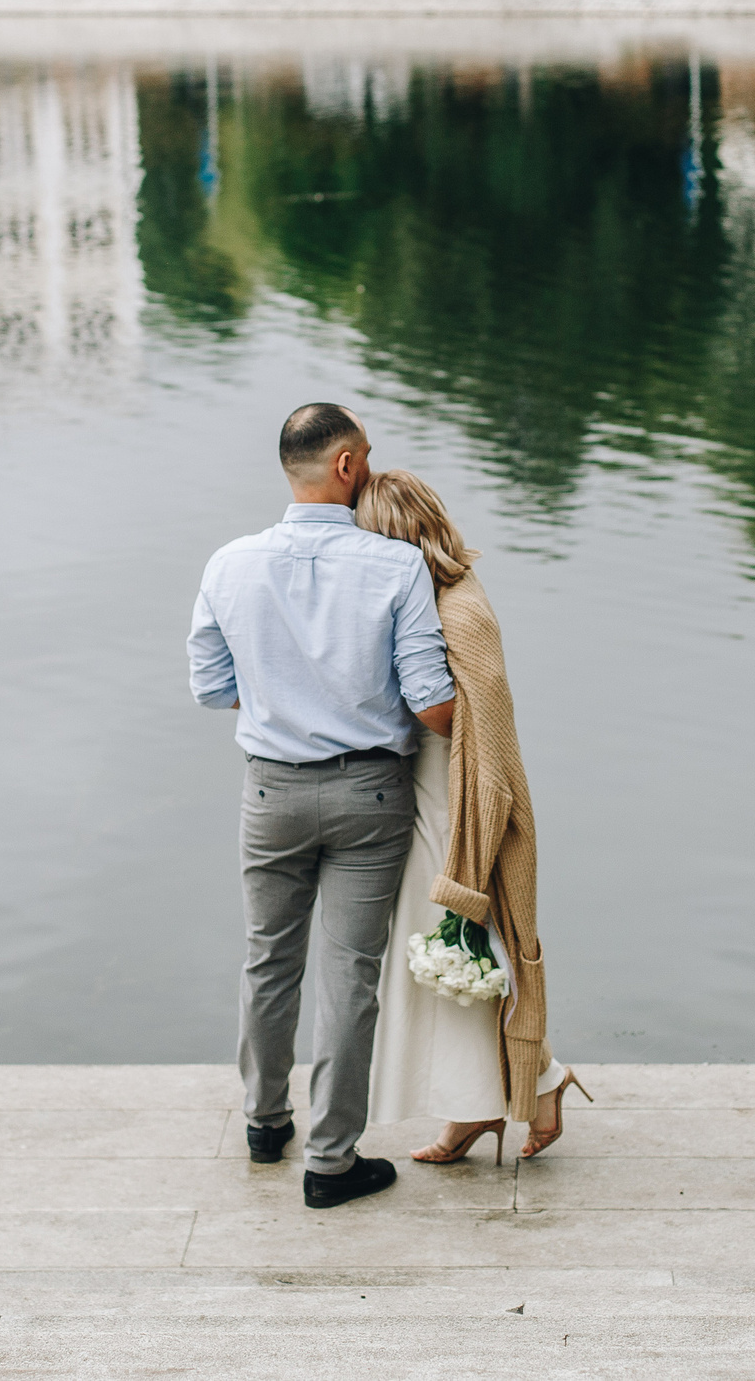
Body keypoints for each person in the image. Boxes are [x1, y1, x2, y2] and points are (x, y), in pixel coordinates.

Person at [188, 404, 455, 1210]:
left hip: (270, 790)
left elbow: (211, 688)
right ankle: (332, 1163)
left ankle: (265, 1123)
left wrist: (283, 701)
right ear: (345, 466)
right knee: (349, 977)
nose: (370, 467)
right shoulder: (397, 568)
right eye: (366, 455)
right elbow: (433, 702)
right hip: (369, 794)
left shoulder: (229, 563)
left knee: (269, 958)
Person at [356, 471, 589, 1162]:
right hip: (428, 797)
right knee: (444, 958)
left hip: (454, 807)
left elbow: (484, 726)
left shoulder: (456, 609)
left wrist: (483, 837)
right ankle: (482, 1106)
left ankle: (535, 1082)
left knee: (454, 951)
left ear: (392, 537)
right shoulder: (436, 597)